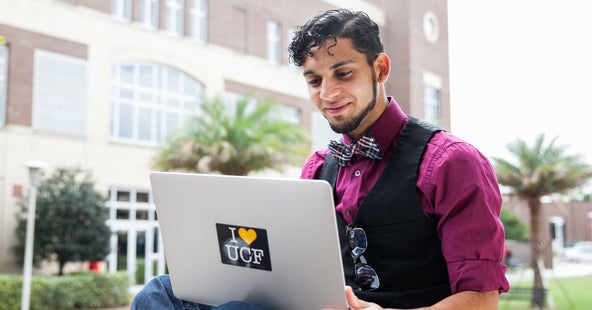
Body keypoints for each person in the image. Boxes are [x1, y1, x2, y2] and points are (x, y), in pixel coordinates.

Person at [131, 8, 509, 310]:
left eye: (343, 73)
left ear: (380, 69)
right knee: (159, 293)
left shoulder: (452, 163)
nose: (328, 93)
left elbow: (482, 300)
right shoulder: (316, 167)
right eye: (314, 81)